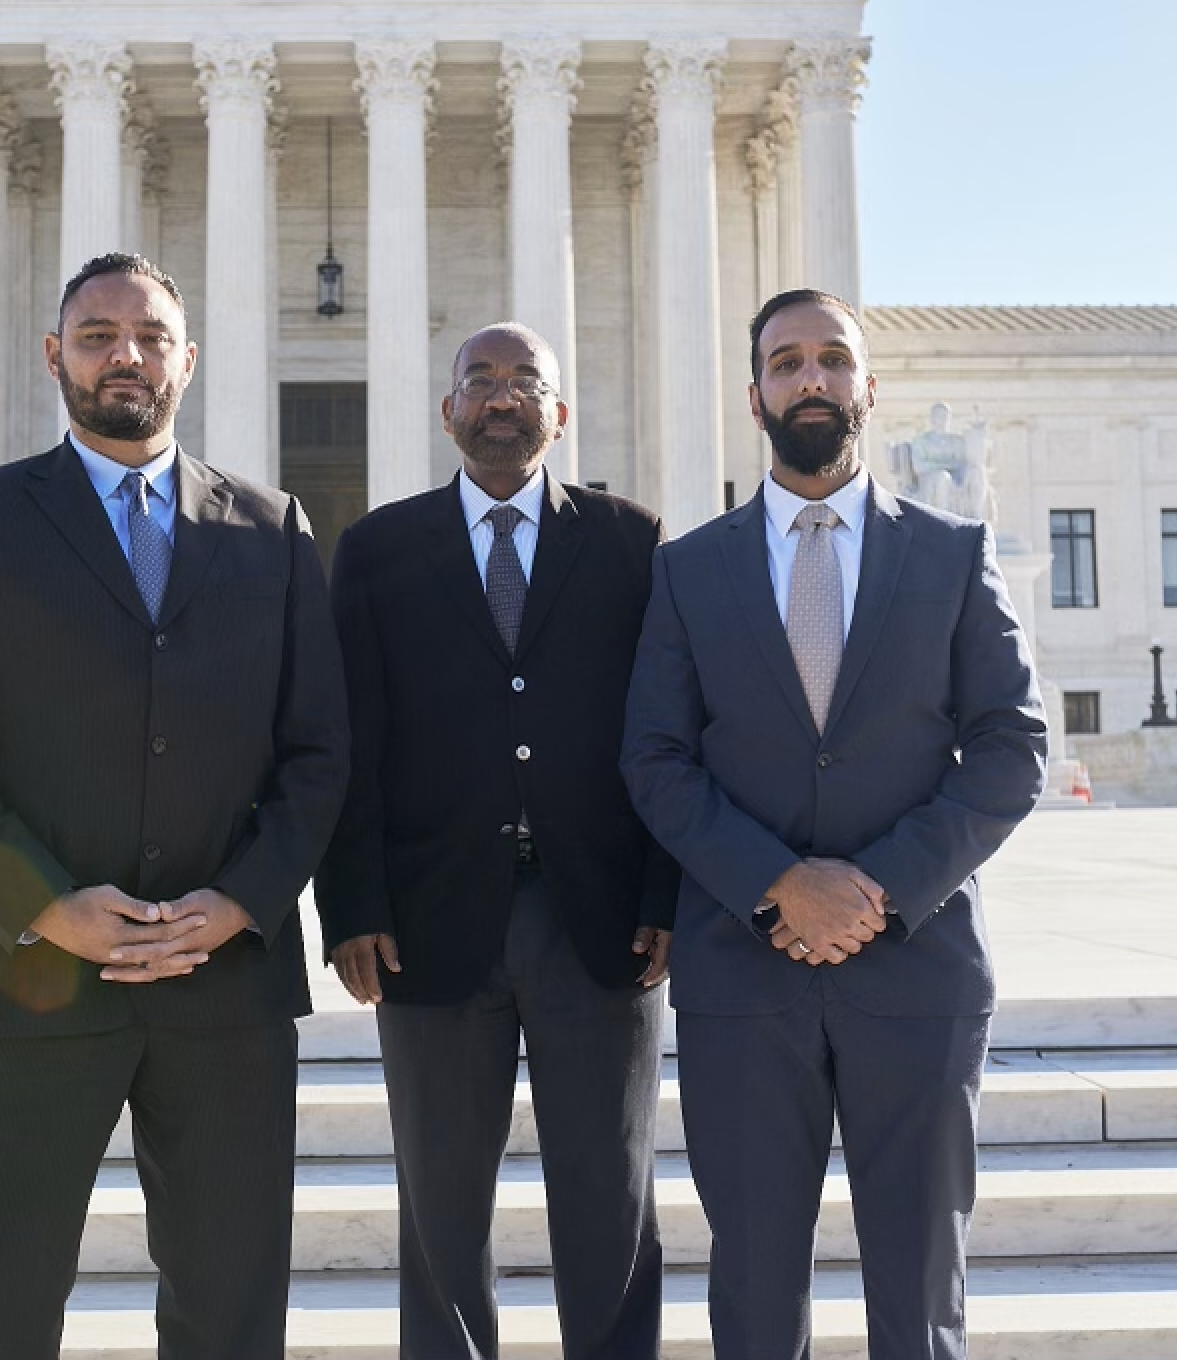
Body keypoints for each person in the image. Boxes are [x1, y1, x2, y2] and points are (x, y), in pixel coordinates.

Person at [0, 252, 350, 1360]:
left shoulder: (271, 528)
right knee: (9, 1304)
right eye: (97, 335)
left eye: (148, 335)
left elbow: (319, 750)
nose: (125, 355)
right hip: (27, 978)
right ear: (57, 356)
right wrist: (49, 905)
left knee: (232, 1309)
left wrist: (241, 901)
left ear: (187, 359)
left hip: (225, 982)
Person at [619, 288, 1047, 1360]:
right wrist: (778, 883)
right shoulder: (689, 568)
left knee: (921, 1292)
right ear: (755, 394)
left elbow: (1011, 744)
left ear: (869, 386)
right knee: (756, 1289)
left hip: (918, 970)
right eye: (785, 362)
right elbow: (655, 760)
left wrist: (879, 889)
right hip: (744, 974)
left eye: (832, 359)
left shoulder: (952, 554)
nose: (810, 378)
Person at [315, 322, 677, 1360]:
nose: (503, 396)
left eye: (527, 382)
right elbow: (352, 743)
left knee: (611, 1203)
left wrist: (667, 895)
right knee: (439, 1214)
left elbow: (664, 732)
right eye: (481, 380)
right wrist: (351, 908)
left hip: (600, 923)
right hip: (428, 927)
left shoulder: (630, 541)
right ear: (449, 411)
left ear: (561, 415)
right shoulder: (379, 549)